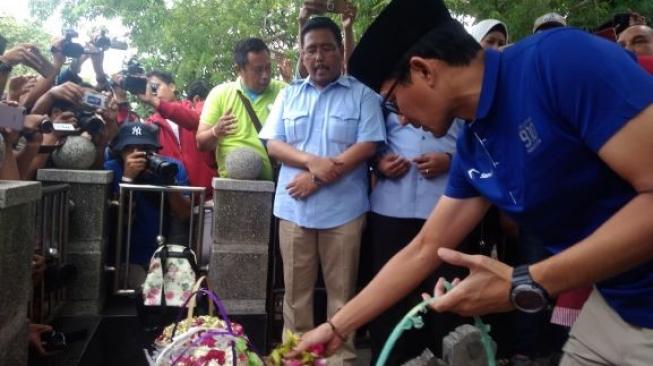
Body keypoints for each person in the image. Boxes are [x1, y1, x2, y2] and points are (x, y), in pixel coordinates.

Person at [293, 1, 653, 365]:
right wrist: (335, 329)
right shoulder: (473, 148)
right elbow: (424, 248)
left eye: (392, 101)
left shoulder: (558, 61)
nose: (400, 118)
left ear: (422, 71)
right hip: (616, 305)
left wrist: (524, 282)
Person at [259, 16, 385, 366]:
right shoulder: (288, 95)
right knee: (295, 298)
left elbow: (368, 145)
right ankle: (295, 359)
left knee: (342, 297)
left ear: (341, 51)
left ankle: (341, 360)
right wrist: (311, 161)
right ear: (301, 55)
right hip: (294, 212)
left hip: (344, 212)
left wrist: (316, 177)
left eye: (327, 48)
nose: (319, 57)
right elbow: (273, 144)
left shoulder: (362, 95)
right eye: (311, 49)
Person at [366, 114, 462, 363]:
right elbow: (369, 147)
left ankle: (442, 358)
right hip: (392, 209)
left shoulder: (458, 105)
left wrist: (450, 161)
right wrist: (380, 165)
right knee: (390, 291)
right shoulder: (385, 103)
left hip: (444, 211)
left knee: (443, 292)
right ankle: (388, 358)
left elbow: (482, 150)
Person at [105, 121, 191, 286]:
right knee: (144, 291)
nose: (137, 154)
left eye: (144, 148)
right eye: (130, 148)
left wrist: (168, 182)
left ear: (154, 150)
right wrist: (128, 178)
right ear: (120, 150)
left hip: (163, 255)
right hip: (125, 259)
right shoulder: (111, 169)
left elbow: (185, 215)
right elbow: (115, 221)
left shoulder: (171, 167)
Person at [196, 38, 286, 180]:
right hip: (232, 187)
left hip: (276, 186)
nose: (265, 75)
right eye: (258, 70)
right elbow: (201, 143)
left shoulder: (284, 91)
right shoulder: (220, 94)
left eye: (268, 67)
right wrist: (215, 131)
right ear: (239, 69)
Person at [115, 70, 216, 197]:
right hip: (174, 202)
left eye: (154, 87)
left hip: (207, 200)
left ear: (172, 87)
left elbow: (195, 120)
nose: (152, 92)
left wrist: (155, 101)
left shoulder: (198, 107)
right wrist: (120, 97)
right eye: (148, 88)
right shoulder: (150, 125)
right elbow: (123, 136)